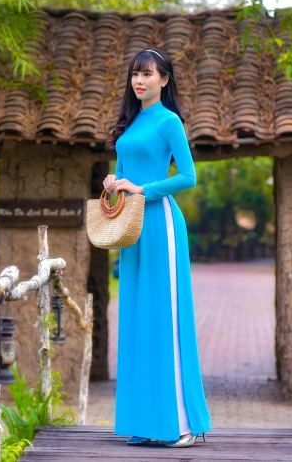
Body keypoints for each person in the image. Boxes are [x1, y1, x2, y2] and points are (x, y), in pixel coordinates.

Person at [103, 47, 211, 448]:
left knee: (164, 319)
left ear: (164, 80)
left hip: (161, 224)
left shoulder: (169, 122)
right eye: (135, 74)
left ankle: (181, 424)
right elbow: (127, 174)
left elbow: (188, 177)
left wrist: (142, 189)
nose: (139, 80)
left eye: (147, 74)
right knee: (136, 320)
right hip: (131, 228)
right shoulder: (130, 125)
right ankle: (147, 423)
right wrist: (114, 181)